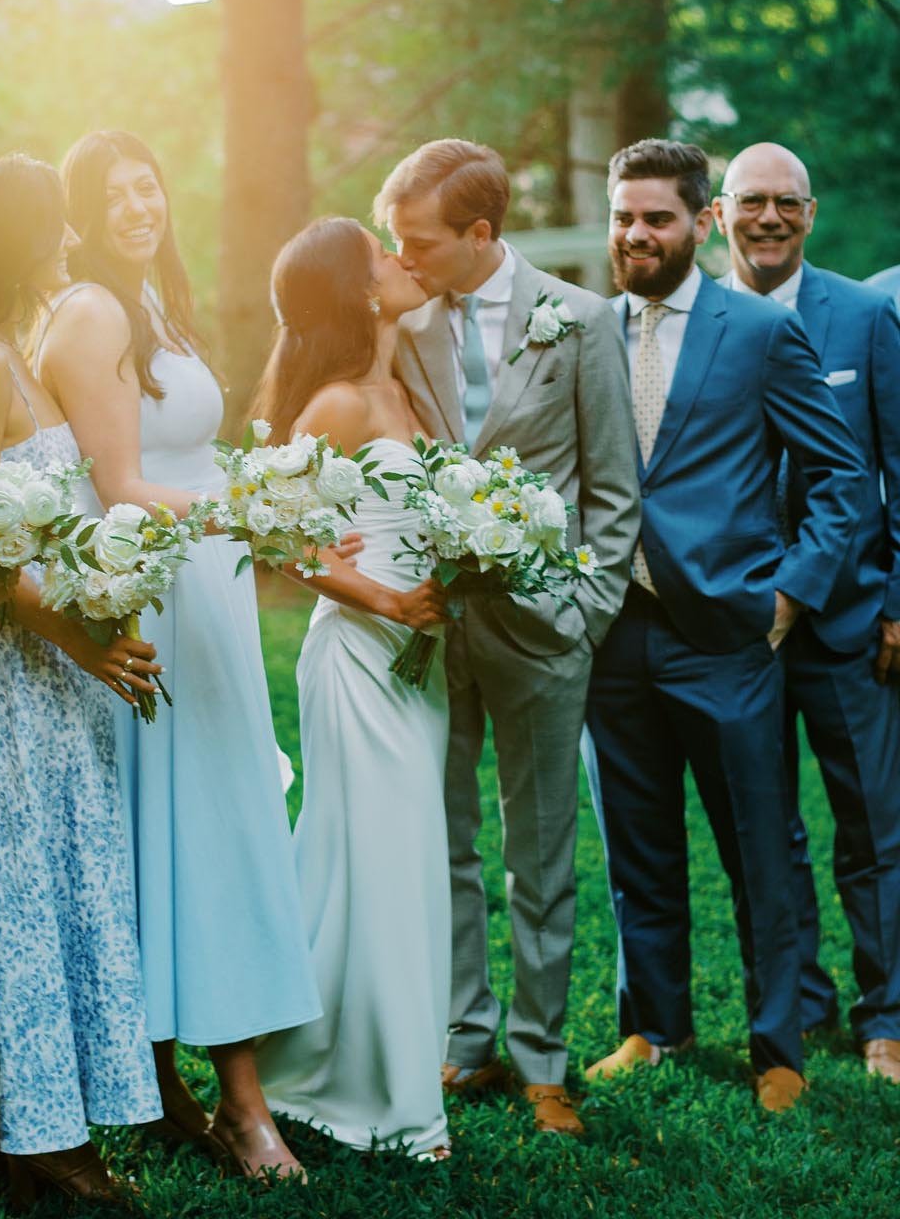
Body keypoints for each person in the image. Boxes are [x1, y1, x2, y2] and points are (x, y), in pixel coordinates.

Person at [38, 130, 320, 1181]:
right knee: (190, 834)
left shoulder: (153, 305)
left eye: (145, 185)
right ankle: (239, 1106)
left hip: (207, 591)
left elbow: (177, 455)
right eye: (109, 196)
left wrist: (245, 504)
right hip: (157, 594)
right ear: (77, 217)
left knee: (192, 827)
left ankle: (167, 1087)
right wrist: (254, 506)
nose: (135, 207)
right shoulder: (96, 312)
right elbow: (116, 484)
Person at [582, 138, 865, 1112]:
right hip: (613, 631)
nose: (636, 234)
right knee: (636, 843)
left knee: (759, 850)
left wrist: (792, 592)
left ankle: (777, 1046)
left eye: (657, 217)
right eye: (623, 217)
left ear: (701, 224)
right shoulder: (585, 331)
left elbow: (839, 478)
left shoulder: (753, 331)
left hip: (731, 635)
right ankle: (651, 1027)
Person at [373, 138, 640, 1135]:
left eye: (420, 243)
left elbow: (612, 489)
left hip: (544, 627)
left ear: (482, 235)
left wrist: (586, 610)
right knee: (444, 842)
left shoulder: (577, 323)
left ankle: (540, 1059)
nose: (401, 258)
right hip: (434, 625)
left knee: (541, 851)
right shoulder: (400, 324)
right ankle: (463, 1040)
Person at [0, 154, 163, 1206]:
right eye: (56, 226)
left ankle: (60, 1123)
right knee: (21, 895)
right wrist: (79, 638)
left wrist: (104, 603)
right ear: (18, 237)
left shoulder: (23, 352)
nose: (73, 241)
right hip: (9, 667)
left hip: (55, 663)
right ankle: (24, 1136)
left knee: (69, 887)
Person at [252, 216, 452, 1158]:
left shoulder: (406, 389)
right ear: (358, 290)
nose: (402, 259)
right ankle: (388, 1099)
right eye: (383, 254)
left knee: (400, 862)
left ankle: (356, 1057)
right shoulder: (333, 403)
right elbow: (282, 538)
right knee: (371, 860)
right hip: (359, 660)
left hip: (419, 667)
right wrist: (383, 598)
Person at [714, 140, 900, 1081]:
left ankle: (888, 1015)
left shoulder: (866, 316)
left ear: (812, 214)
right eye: (753, 202)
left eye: (789, 202)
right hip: (737, 625)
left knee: (874, 825)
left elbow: (896, 467)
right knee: (768, 830)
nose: (771, 219)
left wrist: (899, 598)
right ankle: (805, 999)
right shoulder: (697, 322)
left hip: (850, 619)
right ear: (721, 213)